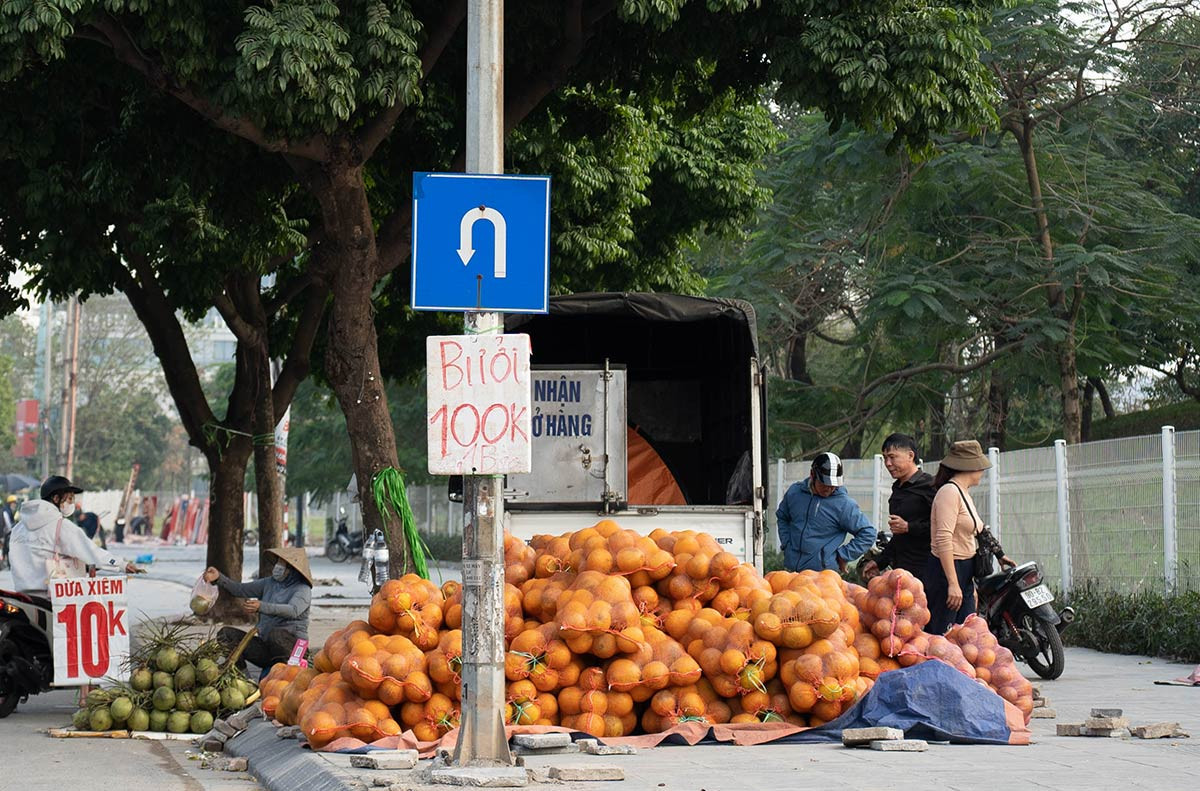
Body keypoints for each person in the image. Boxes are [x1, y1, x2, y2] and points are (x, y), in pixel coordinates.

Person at [8, 476, 139, 597]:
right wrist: (121, 564)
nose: (72, 503)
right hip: (51, 597)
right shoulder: (60, 526)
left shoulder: (18, 528)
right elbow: (91, 552)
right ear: (56, 498)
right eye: (69, 498)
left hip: (22, 595)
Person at [204, 547, 313, 673]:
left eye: (282, 565)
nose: (278, 567)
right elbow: (240, 589)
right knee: (226, 634)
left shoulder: (303, 589)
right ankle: (241, 675)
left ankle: (288, 672)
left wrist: (262, 606)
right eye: (278, 563)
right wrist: (219, 578)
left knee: (276, 634)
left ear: (293, 570)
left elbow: (293, 610)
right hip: (266, 648)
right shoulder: (269, 583)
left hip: (291, 650)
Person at [926, 440, 990, 634]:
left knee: (966, 633)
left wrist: (1000, 555)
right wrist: (953, 583)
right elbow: (943, 539)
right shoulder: (949, 492)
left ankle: (959, 667)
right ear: (972, 467)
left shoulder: (964, 493)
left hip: (965, 569)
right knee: (942, 635)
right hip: (947, 570)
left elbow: (978, 530)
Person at [776, 451, 876, 573]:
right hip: (791, 571)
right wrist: (786, 544)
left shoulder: (844, 505)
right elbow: (782, 517)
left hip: (823, 576)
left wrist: (843, 555)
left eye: (834, 485)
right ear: (812, 475)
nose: (829, 488)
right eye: (825, 483)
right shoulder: (794, 493)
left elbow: (868, 533)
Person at [861, 434, 937, 583]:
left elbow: (945, 528)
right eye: (885, 458)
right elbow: (899, 537)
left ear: (910, 455)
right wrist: (879, 561)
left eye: (892, 457)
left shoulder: (930, 485)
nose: (888, 463)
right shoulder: (897, 488)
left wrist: (909, 527)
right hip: (902, 572)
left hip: (929, 572)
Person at [1, 494, 17, 569]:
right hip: (5, 534)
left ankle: (6, 563)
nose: (14, 505)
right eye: (13, 503)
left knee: (6, 549)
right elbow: (7, 524)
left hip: (5, 533)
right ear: (10, 503)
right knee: (6, 549)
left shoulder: (9, 511)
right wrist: (12, 529)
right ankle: (6, 563)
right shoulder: (6, 511)